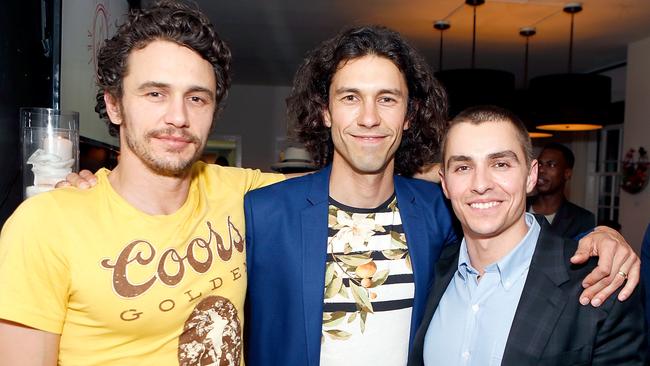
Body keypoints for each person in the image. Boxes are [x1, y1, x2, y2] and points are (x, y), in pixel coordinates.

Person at [242, 26, 641, 366]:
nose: (368, 117)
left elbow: (511, 234)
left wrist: (603, 236)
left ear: (409, 114)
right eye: (350, 97)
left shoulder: (437, 211)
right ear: (324, 111)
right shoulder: (264, 211)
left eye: (387, 99)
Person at [0, 2, 285, 365]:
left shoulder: (238, 190)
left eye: (196, 98)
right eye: (155, 94)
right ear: (115, 105)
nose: (179, 117)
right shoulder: (45, 224)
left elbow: (341, 187)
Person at [409, 106, 646, 365]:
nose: (480, 184)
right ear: (444, 183)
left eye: (500, 164)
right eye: (463, 167)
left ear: (531, 176)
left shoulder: (600, 285)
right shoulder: (433, 270)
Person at [529, 142, 595, 238]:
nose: (541, 170)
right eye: (540, 164)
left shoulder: (582, 219)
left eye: (551, 165)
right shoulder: (518, 206)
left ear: (567, 173)